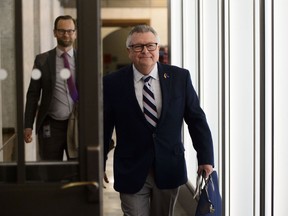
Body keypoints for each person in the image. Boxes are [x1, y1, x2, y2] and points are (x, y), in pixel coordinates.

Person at [103, 25, 214, 216]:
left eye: (151, 45)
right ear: (129, 52)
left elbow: (196, 119)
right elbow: (104, 126)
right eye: (138, 46)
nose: (145, 51)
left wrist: (205, 158)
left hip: (169, 166)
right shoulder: (112, 82)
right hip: (131, 168)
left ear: (158, 48)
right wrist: (100, 160)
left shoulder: (180, 77)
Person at [24, 15, 78, 161]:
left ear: (75, 33)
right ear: (55, 33)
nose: (66, 34)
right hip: (51, 125)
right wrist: (28, 125)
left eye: (69, 31)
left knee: (79, 171)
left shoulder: (84, 60)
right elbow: (33, 94)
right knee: (51, 172)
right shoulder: (42, 60)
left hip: (77, 125)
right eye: (61, 31)